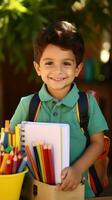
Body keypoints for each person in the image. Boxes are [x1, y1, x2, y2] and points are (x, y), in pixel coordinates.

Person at [10, 21, 108, 198]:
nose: (58, 71)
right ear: (37, 68)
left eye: (66, 63)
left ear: (78, 69)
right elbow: (10, 142)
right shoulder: (27, 104)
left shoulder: (87, 104)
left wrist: (78, 169)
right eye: (49, 63)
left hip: (79, 192)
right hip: (35, 192)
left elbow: (98, 142)